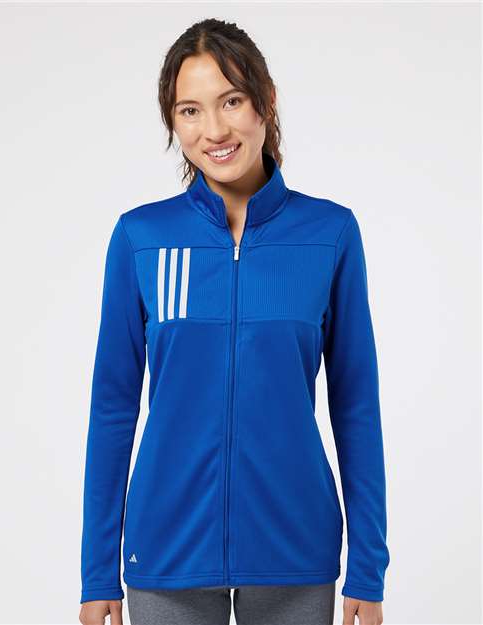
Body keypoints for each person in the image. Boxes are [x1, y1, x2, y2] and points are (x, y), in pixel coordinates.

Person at [79, 17, 389, 625]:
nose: (214, 130)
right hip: (166, 550)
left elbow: (357, 407)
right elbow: (112, 408)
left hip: (295, 549)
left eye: (231, 101)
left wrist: (368, 567)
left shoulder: (330, 233)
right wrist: (97, 572)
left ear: (265, 101)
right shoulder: (142, 238)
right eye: (190, 110)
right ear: (173, 123)